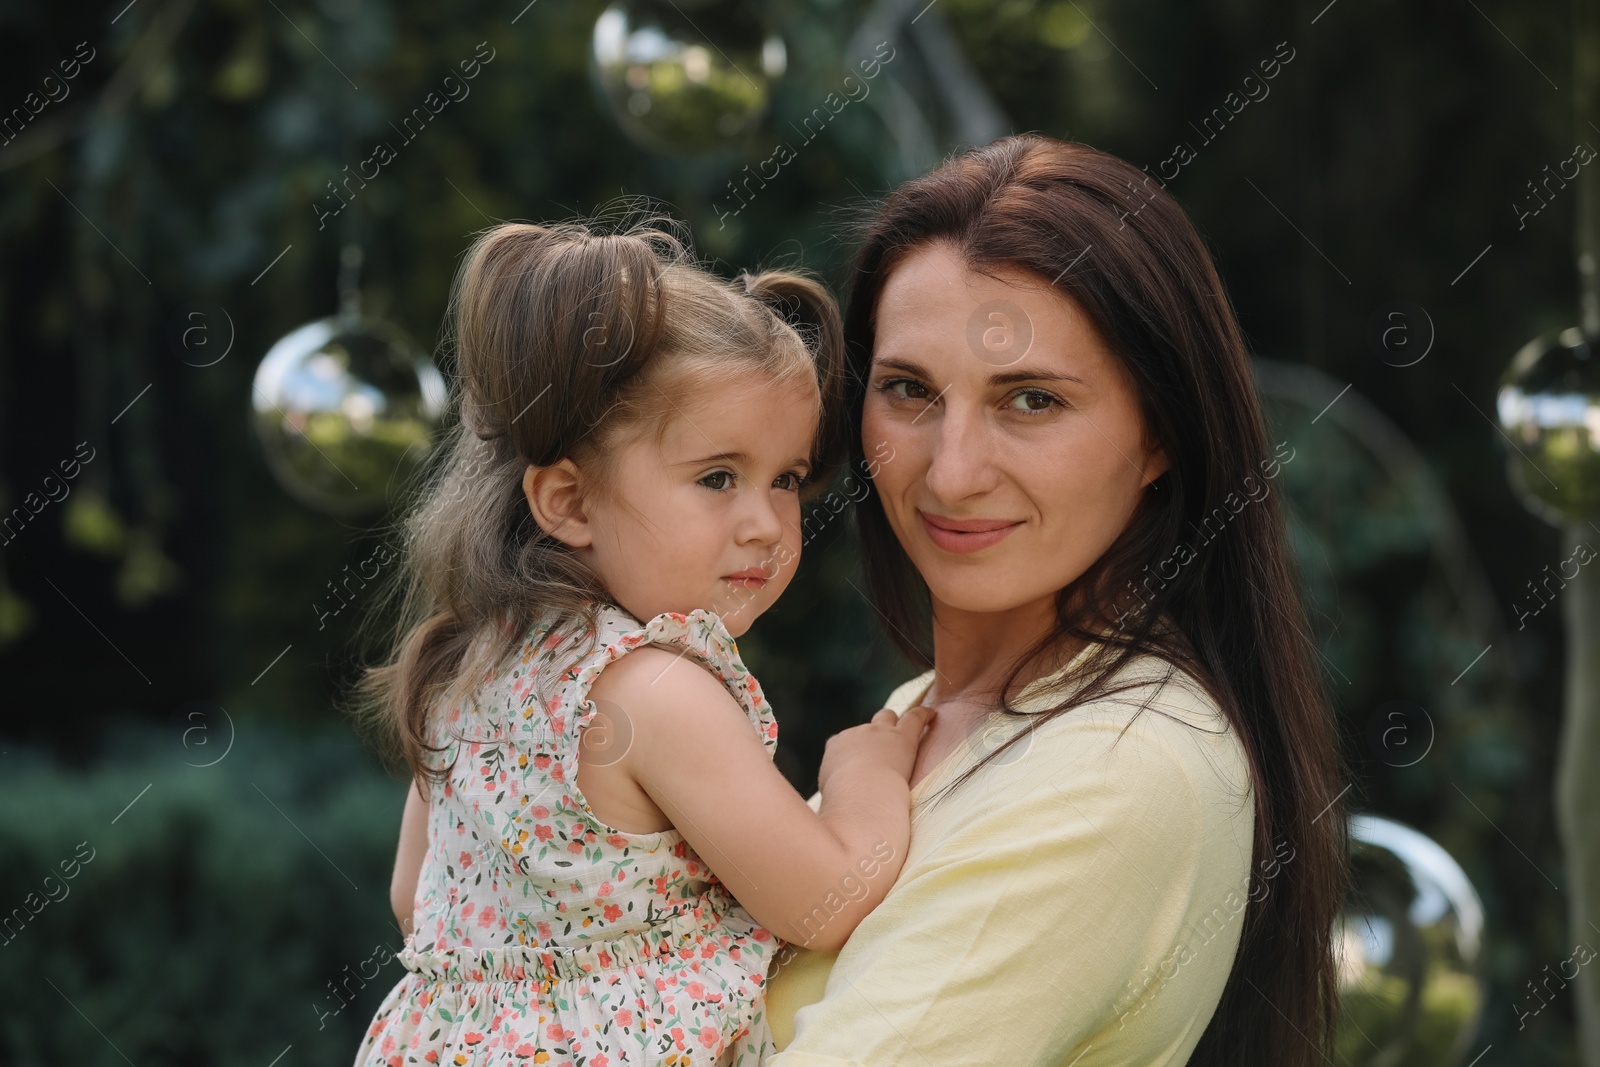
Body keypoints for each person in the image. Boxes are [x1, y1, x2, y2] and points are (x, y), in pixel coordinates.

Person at [761, 134, 1349, 1066]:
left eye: (1030, 400)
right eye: (908, 390)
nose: (950, 473)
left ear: (1162, 434)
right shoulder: (927, 717)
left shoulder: (1120, 767)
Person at [343, 217, 936, 1067]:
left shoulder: (466, 663)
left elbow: (416, 898)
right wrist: (864, 775)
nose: (766, 523)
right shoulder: (655, 691)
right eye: (718, 477)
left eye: (788, 478)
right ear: (570, 503)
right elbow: (825, 901)